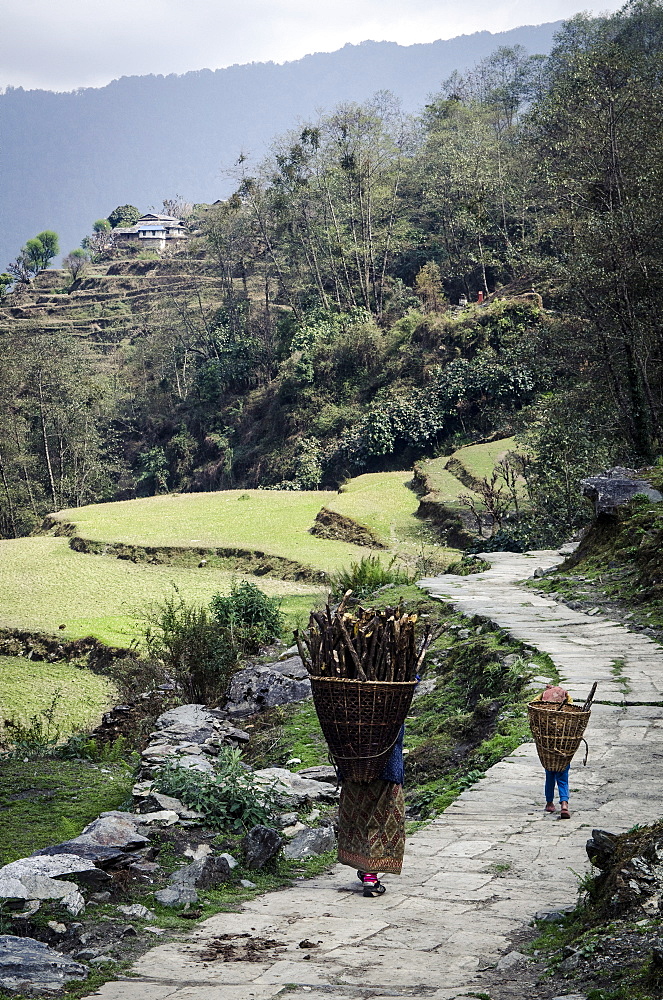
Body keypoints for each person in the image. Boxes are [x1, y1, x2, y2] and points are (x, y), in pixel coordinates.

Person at [336, 725, 405, 898]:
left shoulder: (345, 703)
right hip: (385, 765)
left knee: (358, 816)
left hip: (350, 763)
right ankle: (370, 877)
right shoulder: (391, 702)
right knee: (382, 819)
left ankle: (364, 867)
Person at [534, 684, 573, 819]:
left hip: (548, 748)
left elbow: (533, 703)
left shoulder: (544, 719)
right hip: (563, 748)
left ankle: (549, 803)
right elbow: (572, 705)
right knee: (563, 778)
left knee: (549, 776)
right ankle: (564, 804)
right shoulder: (566, 718)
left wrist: (546, 692)